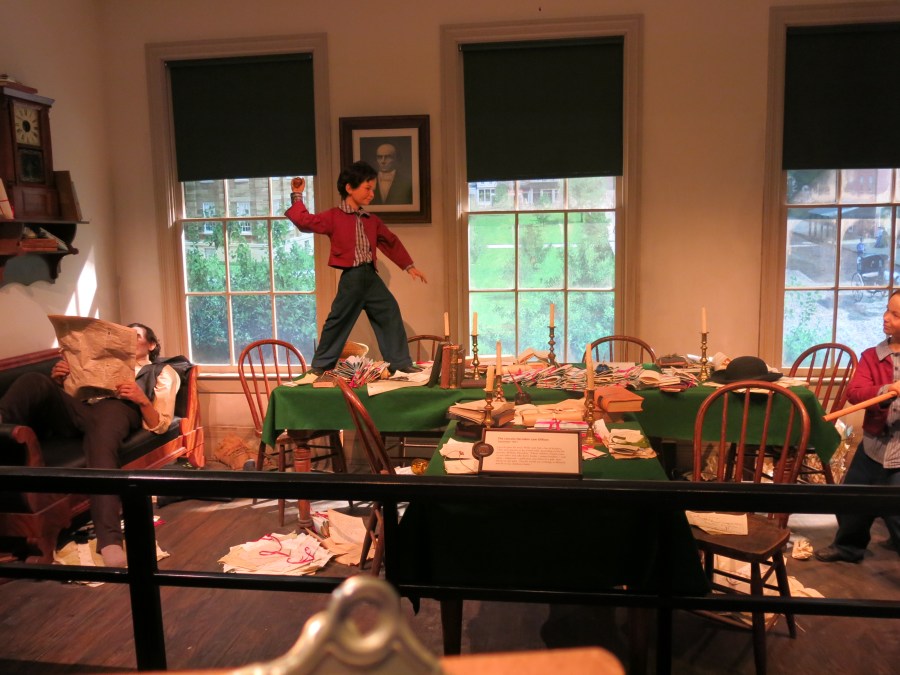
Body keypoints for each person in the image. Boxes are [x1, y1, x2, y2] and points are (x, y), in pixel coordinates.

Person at [0, 323, 180, 567]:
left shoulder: (161, 371)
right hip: (81, 410)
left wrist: (141, 400)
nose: (129, 341)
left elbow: (160, 424)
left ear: (151, 345)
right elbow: (71, 399)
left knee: (102, 439)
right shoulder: (93, 363)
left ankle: (109, 540)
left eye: (135, 336)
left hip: (119, 409)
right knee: (34, 380)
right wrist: (59, 381)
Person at [285, 161, 427, 374]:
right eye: (367, 188)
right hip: (352, 277)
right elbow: (305, 221)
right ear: (349, 188)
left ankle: (400, 363)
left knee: (389, 311)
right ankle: (321, 365)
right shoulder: (333, 216)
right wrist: (297, 195)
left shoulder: (371, 220)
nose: (372, 194)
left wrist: (408, 266)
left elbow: (390, 241)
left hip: (370, 276)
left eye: (373, 189)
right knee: (338, 320)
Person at [815, 291, 900, 563]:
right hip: (874, 445)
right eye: (887, 310)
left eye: (895, 315)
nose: (886, 318)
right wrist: (887, 389)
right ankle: (848, 547)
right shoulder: (872, 356)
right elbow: (856, 392)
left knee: (896, 509)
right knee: (852, 499)